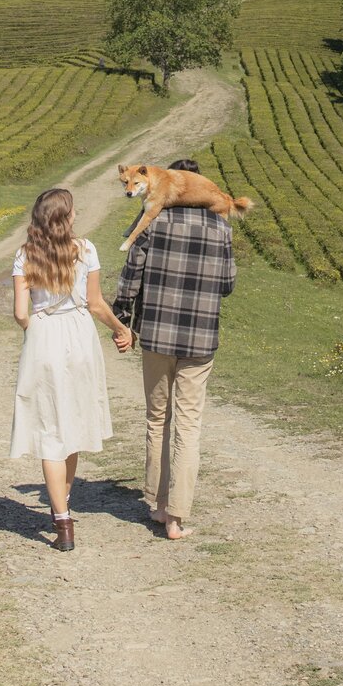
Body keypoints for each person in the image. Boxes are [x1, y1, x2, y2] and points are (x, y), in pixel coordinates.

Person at [112, 158, 236, 540]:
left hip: (158, 334)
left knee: (157, 419)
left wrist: (123, 319)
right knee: (189, 425)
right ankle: (178, 517)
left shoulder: (154, 222)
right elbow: (227, 285)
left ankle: (159, 504)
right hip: (200, 338)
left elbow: (131, 275)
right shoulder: (221, 226)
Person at [10, 186, 133, 551]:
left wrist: (38, 329)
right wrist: (120, 328)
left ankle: (61, 520)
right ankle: (62, 505)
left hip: (44, 333)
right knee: (74, 423)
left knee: (50, 429)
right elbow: (95, 304)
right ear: (65, 217)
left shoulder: (24, 255)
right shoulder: (87, 249)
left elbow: (20, 313)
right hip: (79, 335)